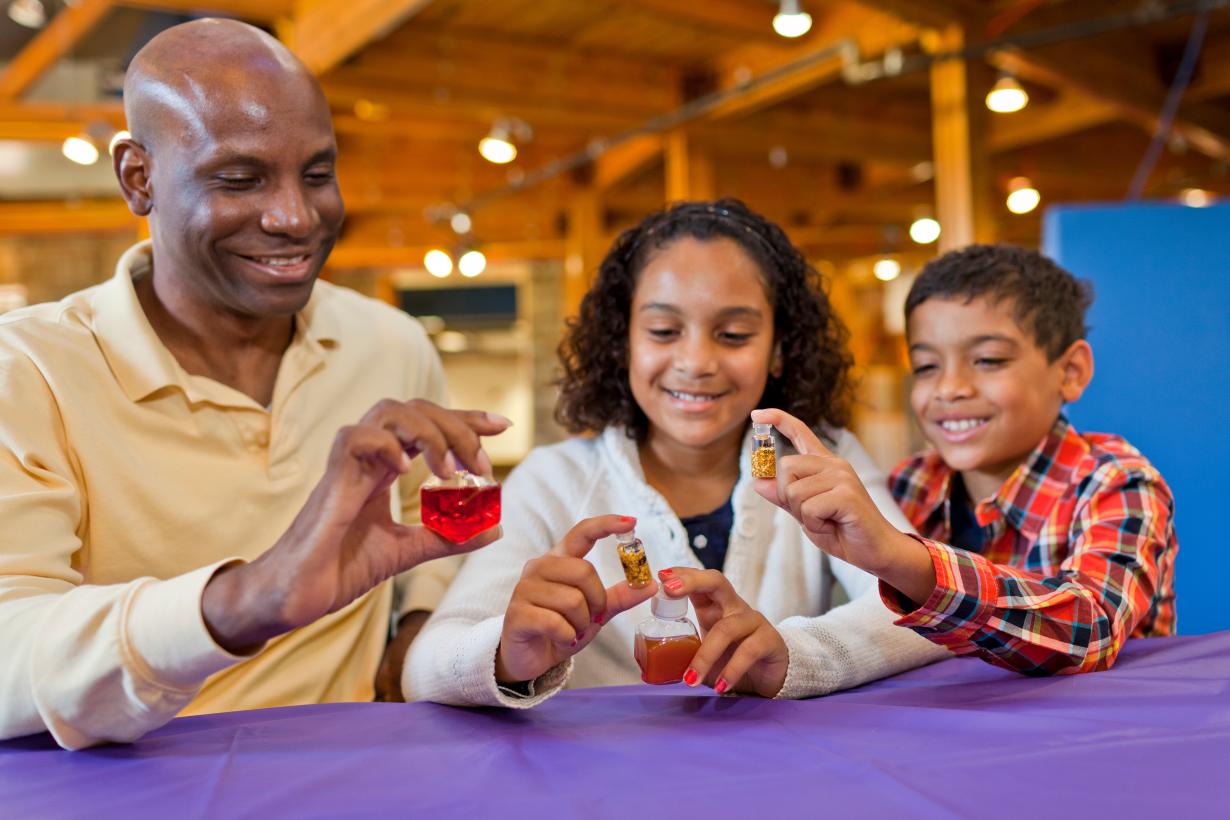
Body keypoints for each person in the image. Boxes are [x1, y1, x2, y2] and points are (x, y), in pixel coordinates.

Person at [0, 19, 505, 750]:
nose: (295, 217)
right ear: (138, 177)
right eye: (239, 179)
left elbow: (417, 545)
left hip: (363, 771)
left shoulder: (389, 344)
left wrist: (418, 634)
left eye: (317, 174)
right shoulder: (28, 370)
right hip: (128, 792)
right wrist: (243, 601)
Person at [406, 199, 948, 706]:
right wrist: (505, 655)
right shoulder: (555, 479)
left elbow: (927, 611)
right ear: (623, 341)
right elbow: (424, 667)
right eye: (664, 330)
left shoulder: (819, 458)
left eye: (733, 334)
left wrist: (790, 656)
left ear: (779, 349)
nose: (695, 361)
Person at [756, 244, 1176, 675]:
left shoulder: (1116, 482)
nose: (950, 388)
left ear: (1069, 372)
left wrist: (904, 559)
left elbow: (1091, 631)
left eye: (987, 360)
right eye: (926, 366)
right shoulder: (910, 484)